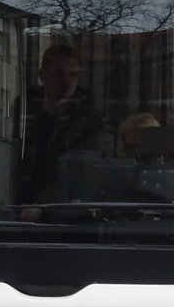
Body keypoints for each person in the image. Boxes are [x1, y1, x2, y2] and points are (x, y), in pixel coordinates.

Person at [15, 44, 109, 204]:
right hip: (15, 203)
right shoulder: (22, 110)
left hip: (64, 208)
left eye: (73, 75)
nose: (67, 82)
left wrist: (42, 205)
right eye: (58, 74)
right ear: (42, 75)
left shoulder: (89, 119)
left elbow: (81, 171)